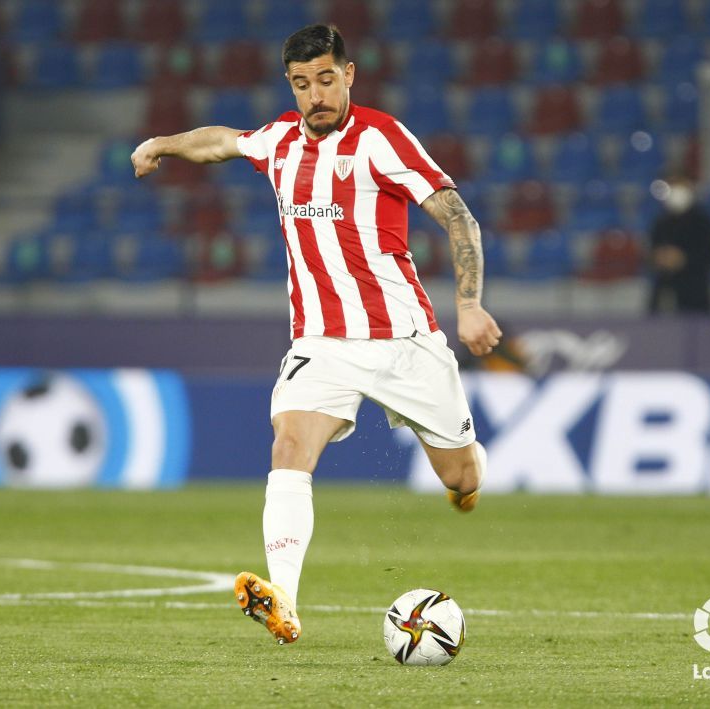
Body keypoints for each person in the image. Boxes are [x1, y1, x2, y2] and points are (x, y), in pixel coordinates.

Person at [131, 24, 502, 646]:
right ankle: (284, 600)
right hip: (321, 343)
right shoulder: (280, 140)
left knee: (460, 477)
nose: (316, 96)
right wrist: (161, 144)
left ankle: (468, 483)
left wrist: (469, 305)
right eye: (302, 84)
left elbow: (458, 216)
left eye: (326, 80)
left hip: (404, 340)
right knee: (289, 445)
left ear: (349, 74)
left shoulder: (381, 139)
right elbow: (221, 142)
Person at [647, 175, 710, 315]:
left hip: (696, 293)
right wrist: (659, 258)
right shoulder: (661, 222)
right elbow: (651, 253)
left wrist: (683, 259)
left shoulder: (703, 221)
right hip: (665, 292)